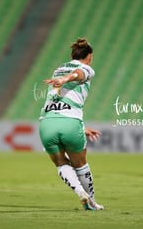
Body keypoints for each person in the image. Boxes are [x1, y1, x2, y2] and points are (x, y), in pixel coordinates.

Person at [39, 38, 104, 210]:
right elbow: (78, 74)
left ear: (71, 55)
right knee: (81, 164)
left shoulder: (58, 69)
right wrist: (67, 78)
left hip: (47, 123)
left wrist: (62, 78)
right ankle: (91, 202)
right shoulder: (86, 69)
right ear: (89, 57)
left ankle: (79, 192)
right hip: (70, 123)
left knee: (61, 163)